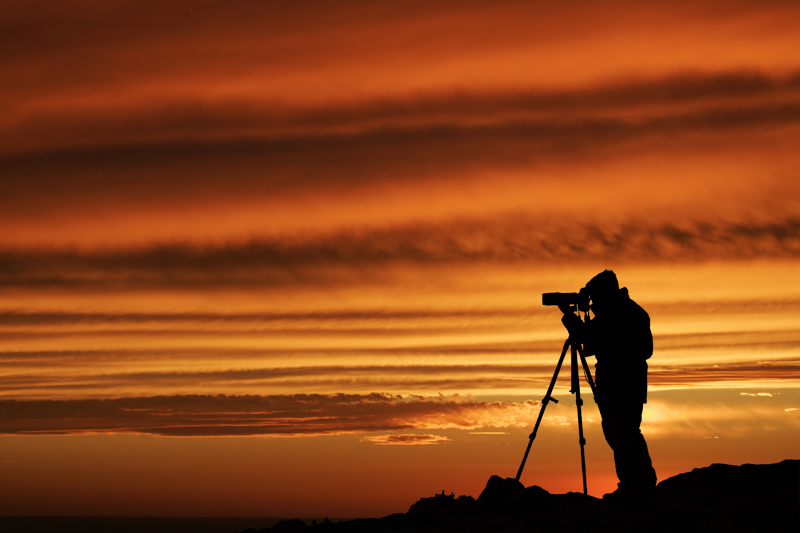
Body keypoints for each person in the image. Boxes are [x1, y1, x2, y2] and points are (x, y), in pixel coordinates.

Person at [560, 270, 657, 501]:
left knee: (620, 434)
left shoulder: (615, 314)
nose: (593, 302)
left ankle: (633, 485)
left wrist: (568, 315)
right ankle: (642, 480)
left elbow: (586, 335)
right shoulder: (634, 311)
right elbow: (646, 350)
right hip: (633, 385)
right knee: (630, 431)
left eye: (595, 297)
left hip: (616, 384)